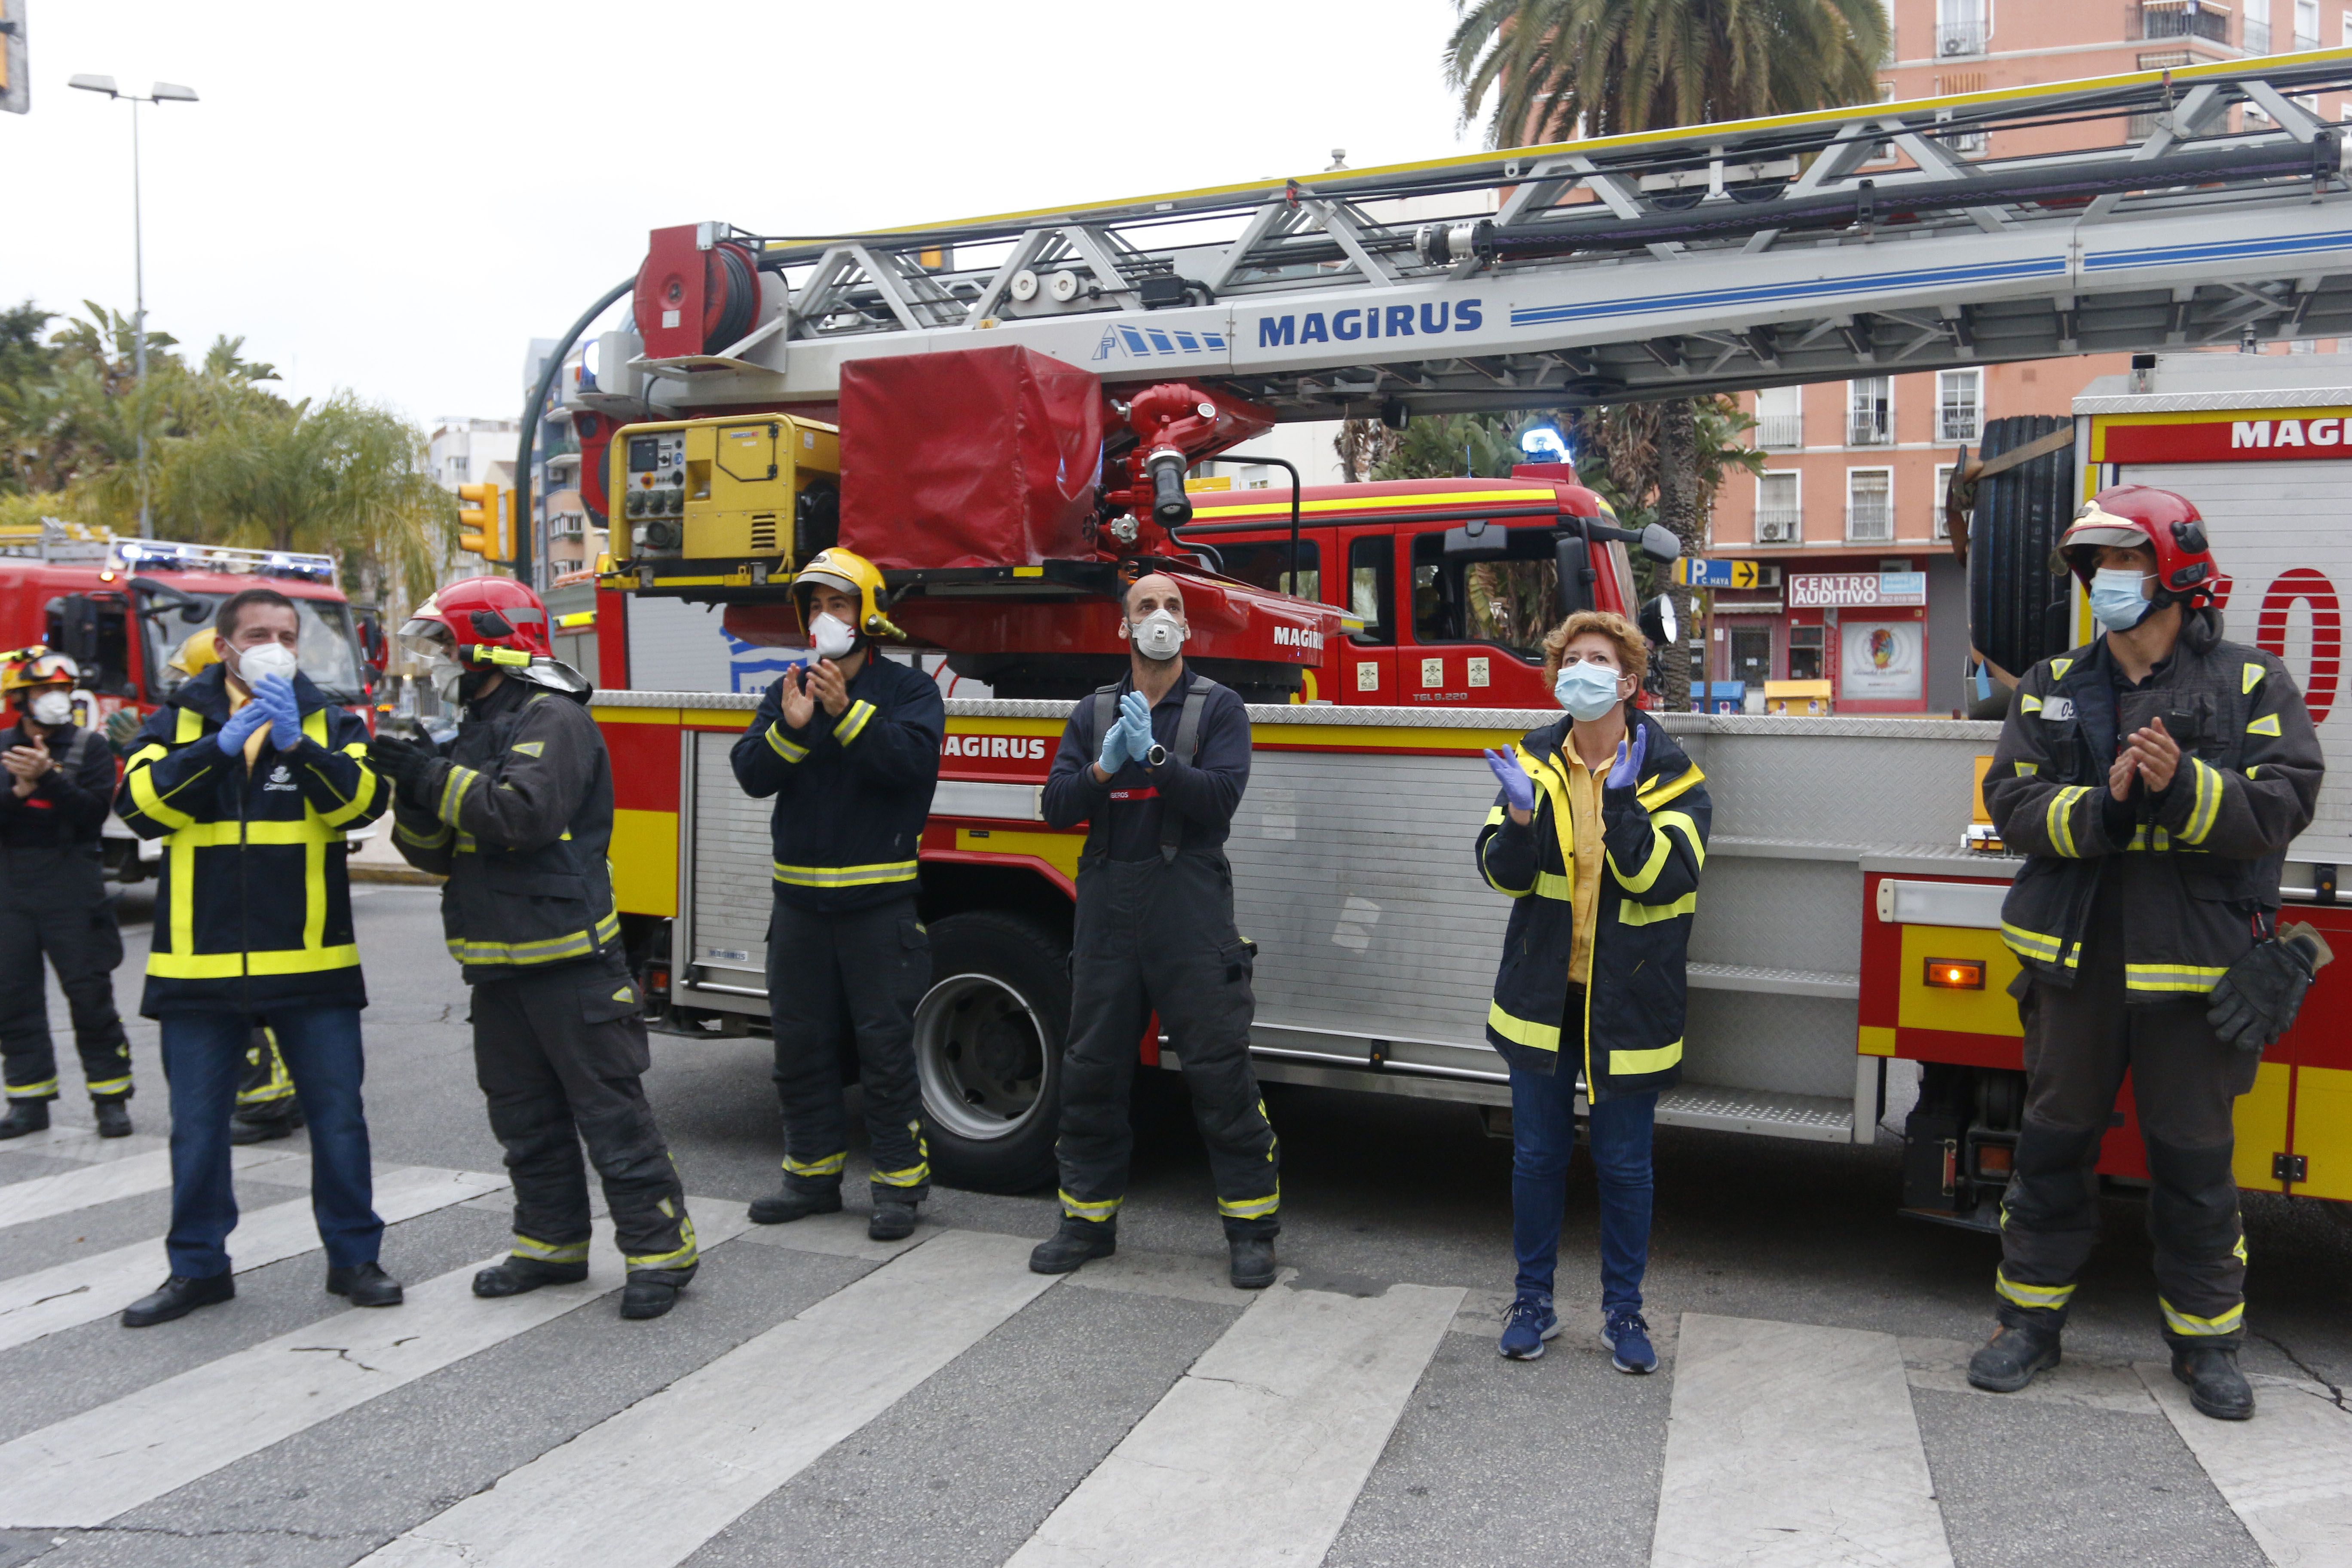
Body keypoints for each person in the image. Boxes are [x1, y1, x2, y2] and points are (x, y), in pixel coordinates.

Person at [1971, 487, 2323, 1421]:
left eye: (2124, 562)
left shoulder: (2249, 685)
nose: (2105, 582)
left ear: (2176, 570)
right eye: (2096, 566)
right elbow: (2011, 803)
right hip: (2075, 969)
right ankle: (2027, 1326)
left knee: (2196, 1167)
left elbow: (2285, 804)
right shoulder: (2050, 684)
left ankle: (2208, 1347)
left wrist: (2181, 788)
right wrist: (2110, 808)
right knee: (2050, 1151)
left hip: (2196, 980)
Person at [369, 577, 700, 1320]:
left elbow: (520, 815)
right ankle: (550, 1244)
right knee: (523, 1118)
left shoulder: (553, 718)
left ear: (493, 641)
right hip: (496, 965)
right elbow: (431, 854)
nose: (446, 663)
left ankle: (661, 1251)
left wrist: (431, 775)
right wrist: (413, 790)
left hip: (569, 963)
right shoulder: (471, 731)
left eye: (452, 646)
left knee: (610, 1116)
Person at [113, 587, 401, 1326]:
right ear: (225, 645)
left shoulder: (329, 719)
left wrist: (297, 746)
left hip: (312, 964)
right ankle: (199, 1268)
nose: (274, 644)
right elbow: (140, 807)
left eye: (286, 634)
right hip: (197, 967)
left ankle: (354, 1259)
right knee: (198, 1129)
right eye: (258, 633)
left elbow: (362, 805)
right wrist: (216, 745)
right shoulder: (174, 719)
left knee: (338, 1121)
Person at [1029, 570, 1281, 1290]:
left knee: (1219, 1069)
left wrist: (1157, 759)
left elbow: (1220, 800)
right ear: (1124, 626)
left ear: (1187, 628)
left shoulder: (1220, 708)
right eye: (1147, 606)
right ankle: (1085, 1220)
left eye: (1172, 606)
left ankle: (1251, 1228)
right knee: (1092, 1069)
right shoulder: (1092, 711)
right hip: (1109, 908)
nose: (1161, 615)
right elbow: (1055, 806)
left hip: (1190, 912)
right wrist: (1105, 764)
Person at [1477, 610, 1710, 1372]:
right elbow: (1500, 874)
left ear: (1629, 681)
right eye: (1570, 659)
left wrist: (1621, 803)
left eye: (1597, 659)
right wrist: (1515, 817)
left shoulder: (1673, 774)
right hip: (1542, 998)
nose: (1581, 670)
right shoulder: (1532, 763)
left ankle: (1623, 1311)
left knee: (1624, 1165)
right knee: (1537, 1158)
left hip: (1628, 1002)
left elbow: (1663, 879)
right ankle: (1532, 1302)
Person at [730, 548, 944, 1242]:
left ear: (867, 614)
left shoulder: (910, 694)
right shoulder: (787, 689)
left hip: (876, 911)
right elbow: (750, 774)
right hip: (797, 912)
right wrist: (791, 727)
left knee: (883, 1050)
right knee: (799, 1046)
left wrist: (844, 711)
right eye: (815, 606)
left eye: (838, 604)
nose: (824, 618)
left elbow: (907, 766)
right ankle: (811, 1177)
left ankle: (898, 1187)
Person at [152, 629, 305, 1146]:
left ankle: (269, 1104)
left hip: (248, 898)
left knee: (258, 1013)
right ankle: (280, 1098)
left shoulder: (283, 725)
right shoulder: (196, 724)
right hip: (238, 896)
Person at [0, 650, 133, 1139]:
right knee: (12, 999)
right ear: (20, 699)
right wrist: (18, 789)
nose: (54, 699)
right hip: (12, 889)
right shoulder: (1, 746)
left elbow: (91, 813)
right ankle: (29, 1101)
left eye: (61, 689)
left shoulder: (90, 748)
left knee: (90, 995)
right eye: (41, 691)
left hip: (73, 889)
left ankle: (111, 1099)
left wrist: (47, 779)